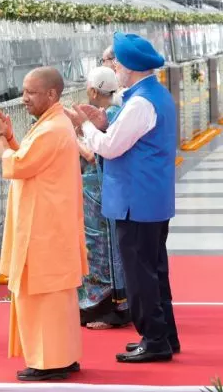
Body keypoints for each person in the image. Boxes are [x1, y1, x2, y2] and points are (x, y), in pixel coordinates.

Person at [66, 33, 179, 363]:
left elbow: (110, 147)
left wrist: (85, 125)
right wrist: (102, 122)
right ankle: (164, 335)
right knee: (154, 271)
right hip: (150, 199)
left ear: (130, 67)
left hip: (136, 202)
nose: (113, 67)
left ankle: (154, 340)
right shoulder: (152, 95)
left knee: (140, 274)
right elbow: (124, 135)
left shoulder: (141, 103)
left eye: (116, 62)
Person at [0, 67, 87, 381]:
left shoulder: (53, 128)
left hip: (44, 230)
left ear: (51, 95)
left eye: (31, 92)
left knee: (43, 298)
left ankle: (49, 362)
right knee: (53, 299)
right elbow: (27, 156)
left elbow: (17, 165)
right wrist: (11, 136)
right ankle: (60, 357)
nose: (23, 98)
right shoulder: (51, 123)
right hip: (49, 226)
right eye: (24, 91)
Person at [77, 67, 130, 330]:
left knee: (101, 251)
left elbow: (95, 154)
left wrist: (77, 132)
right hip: (102, 193)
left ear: (93, 91)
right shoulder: (118, 111)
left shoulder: (109, 115)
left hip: (99, 194)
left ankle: (106, 307)